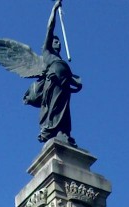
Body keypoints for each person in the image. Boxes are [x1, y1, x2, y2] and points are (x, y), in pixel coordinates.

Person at [24, 0, 82, 145]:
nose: (58, 43)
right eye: (55, 41)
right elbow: (50, 28)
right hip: (54, 81)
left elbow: (70, 77)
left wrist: (77, 83)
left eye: (59, 41)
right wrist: (54, 9)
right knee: (55, 108)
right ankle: (54, 131)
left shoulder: (60, 59)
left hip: (64, 84)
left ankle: (63, 132)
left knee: (64, 111)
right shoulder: (47, 53)